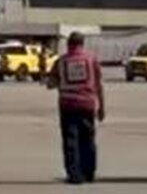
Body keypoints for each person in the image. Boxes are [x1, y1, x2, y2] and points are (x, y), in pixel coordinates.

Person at [48, 32, 105, 185]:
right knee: (88, 139)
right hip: (87, 105)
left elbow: (50, 83)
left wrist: (58, 82)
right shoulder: (91, 60)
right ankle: (89, 172)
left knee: (70, 140)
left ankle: (74, 174)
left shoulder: (61, 61)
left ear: (68, 44)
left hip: (68, 105)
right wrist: (102, 107)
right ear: (82, 43)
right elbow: (99, 85)